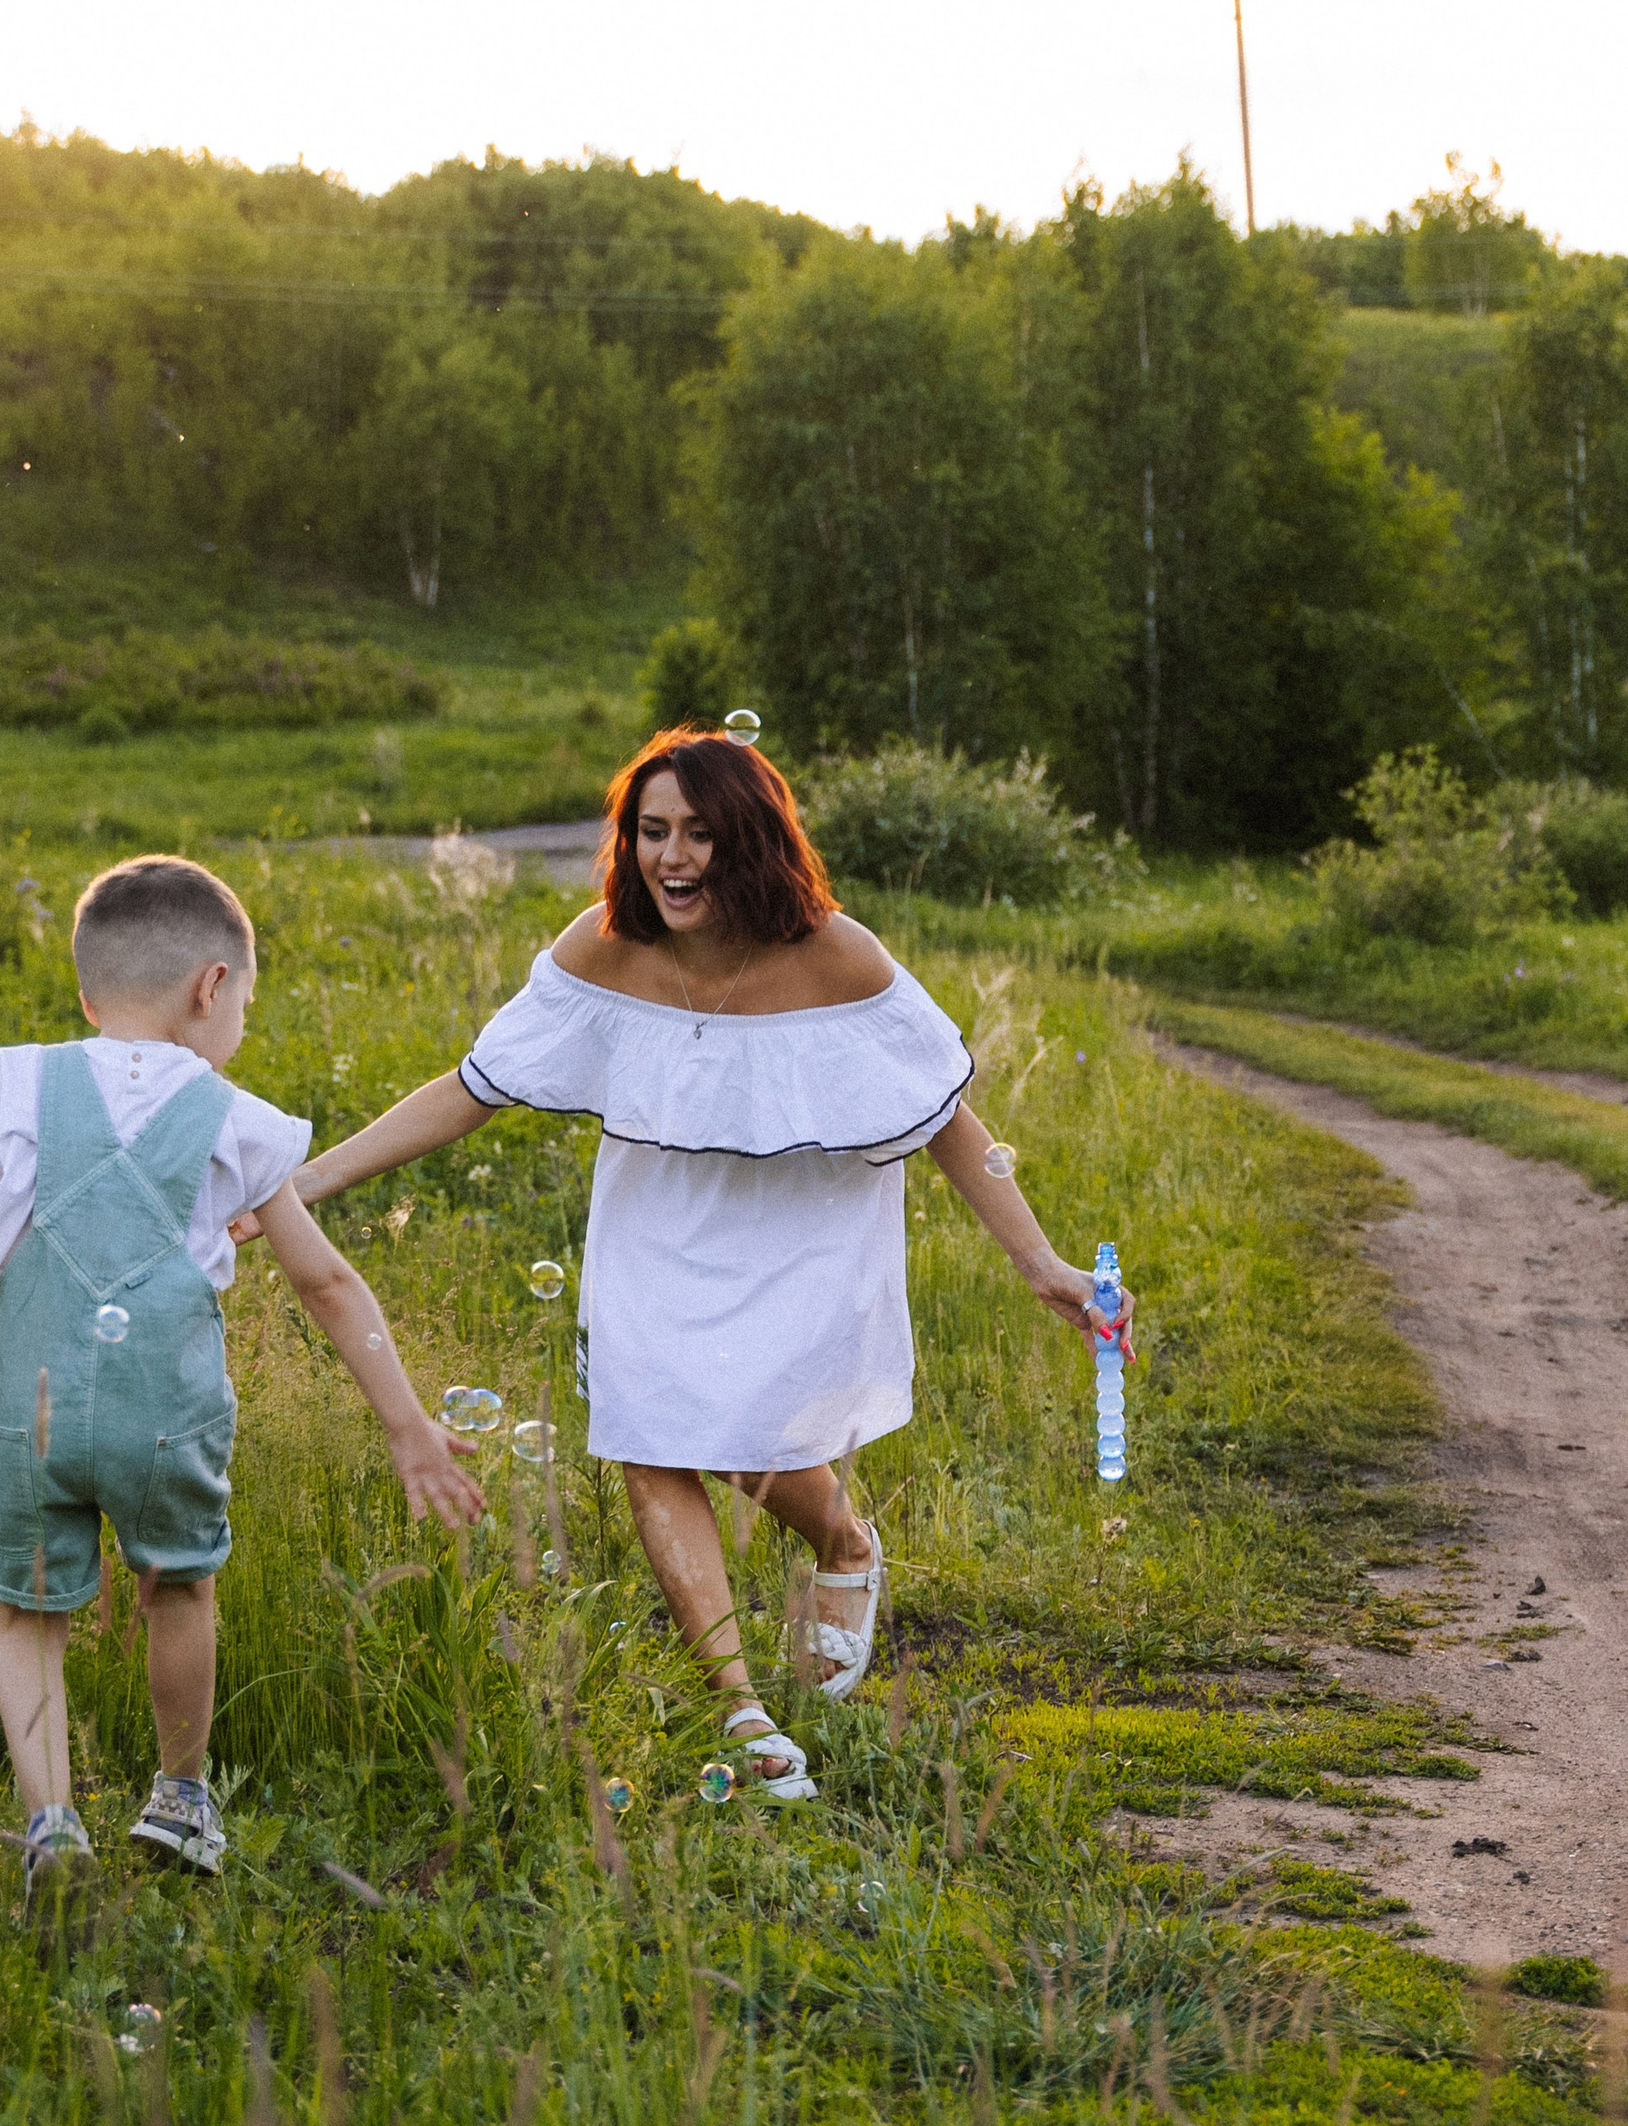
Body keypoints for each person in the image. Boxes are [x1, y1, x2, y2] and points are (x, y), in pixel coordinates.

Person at [270, 728, 1111, 1803]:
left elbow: (944, 1112)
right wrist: (301, 1185)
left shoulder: (837, 954)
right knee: (652, 1426)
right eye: (652, 830)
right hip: (656, 1229)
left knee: (754, 1441)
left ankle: (844, 1539)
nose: (672, 857)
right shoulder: (604, 946)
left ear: (751, 840)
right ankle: (741, 1708)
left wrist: (1037, 1257)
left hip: (799, 1231)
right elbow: (473, 1083)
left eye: (700, 833)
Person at [0, 851, 483, 1906]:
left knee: (25, 1612)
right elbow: (324, 1278)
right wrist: (408, 1421)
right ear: (211, 986)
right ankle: (180, 1796)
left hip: (23, 1408)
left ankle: (51, 1820)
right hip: (165, 1414)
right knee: (178, 1584)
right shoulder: (237, 1115)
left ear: (89, 993)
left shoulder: (16, 1075)